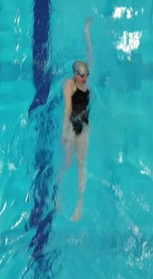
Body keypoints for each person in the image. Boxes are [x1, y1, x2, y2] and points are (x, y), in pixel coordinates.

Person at [60, 18, 92, 221]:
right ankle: (59, 196)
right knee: (67, 163)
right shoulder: (68, 86)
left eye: (87, 74)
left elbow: (91, 55)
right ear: (75, 75)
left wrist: (86, 33)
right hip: (72, 126)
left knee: (81, 164)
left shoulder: (86, 83)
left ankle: (79, 206)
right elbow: (67, 109)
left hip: (85, 127)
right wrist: (64, 132)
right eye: (82, 75)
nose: (85, 78)